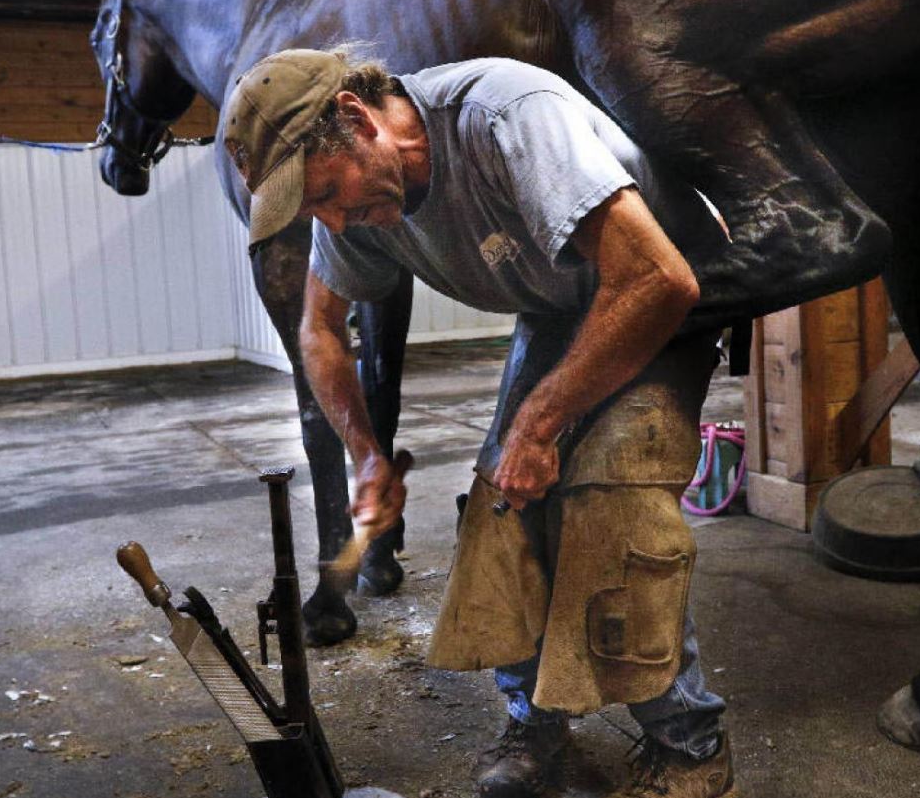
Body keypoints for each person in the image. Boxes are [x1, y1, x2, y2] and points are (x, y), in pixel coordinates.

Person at [222, 47, 737, 798]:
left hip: (660, 296)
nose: (333, 220)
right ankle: (533, 718)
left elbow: (659, 278)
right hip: (561, 306)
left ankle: (689, 742)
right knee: (503, 506)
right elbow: (319, 331)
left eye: (330, 192)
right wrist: (365, 454)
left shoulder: (504, 117)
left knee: (610, 504)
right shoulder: (350, 201)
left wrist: (538, 424)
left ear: (355, 118)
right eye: (314, 211)